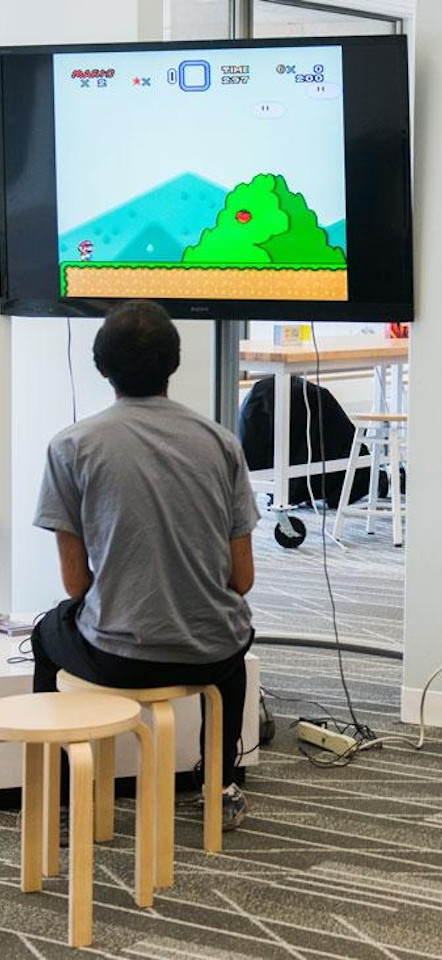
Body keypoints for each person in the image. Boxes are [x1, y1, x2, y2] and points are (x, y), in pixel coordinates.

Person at [30, 299, 259, 829]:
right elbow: (242, 580)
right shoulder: (222, 443)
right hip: (208, 656)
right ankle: (221, 786)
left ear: (101, 366)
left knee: (47, 632)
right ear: (173, 363)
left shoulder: (70, 446)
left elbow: (76, 584)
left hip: (117, 656)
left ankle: (61, 801)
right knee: (232, 638)